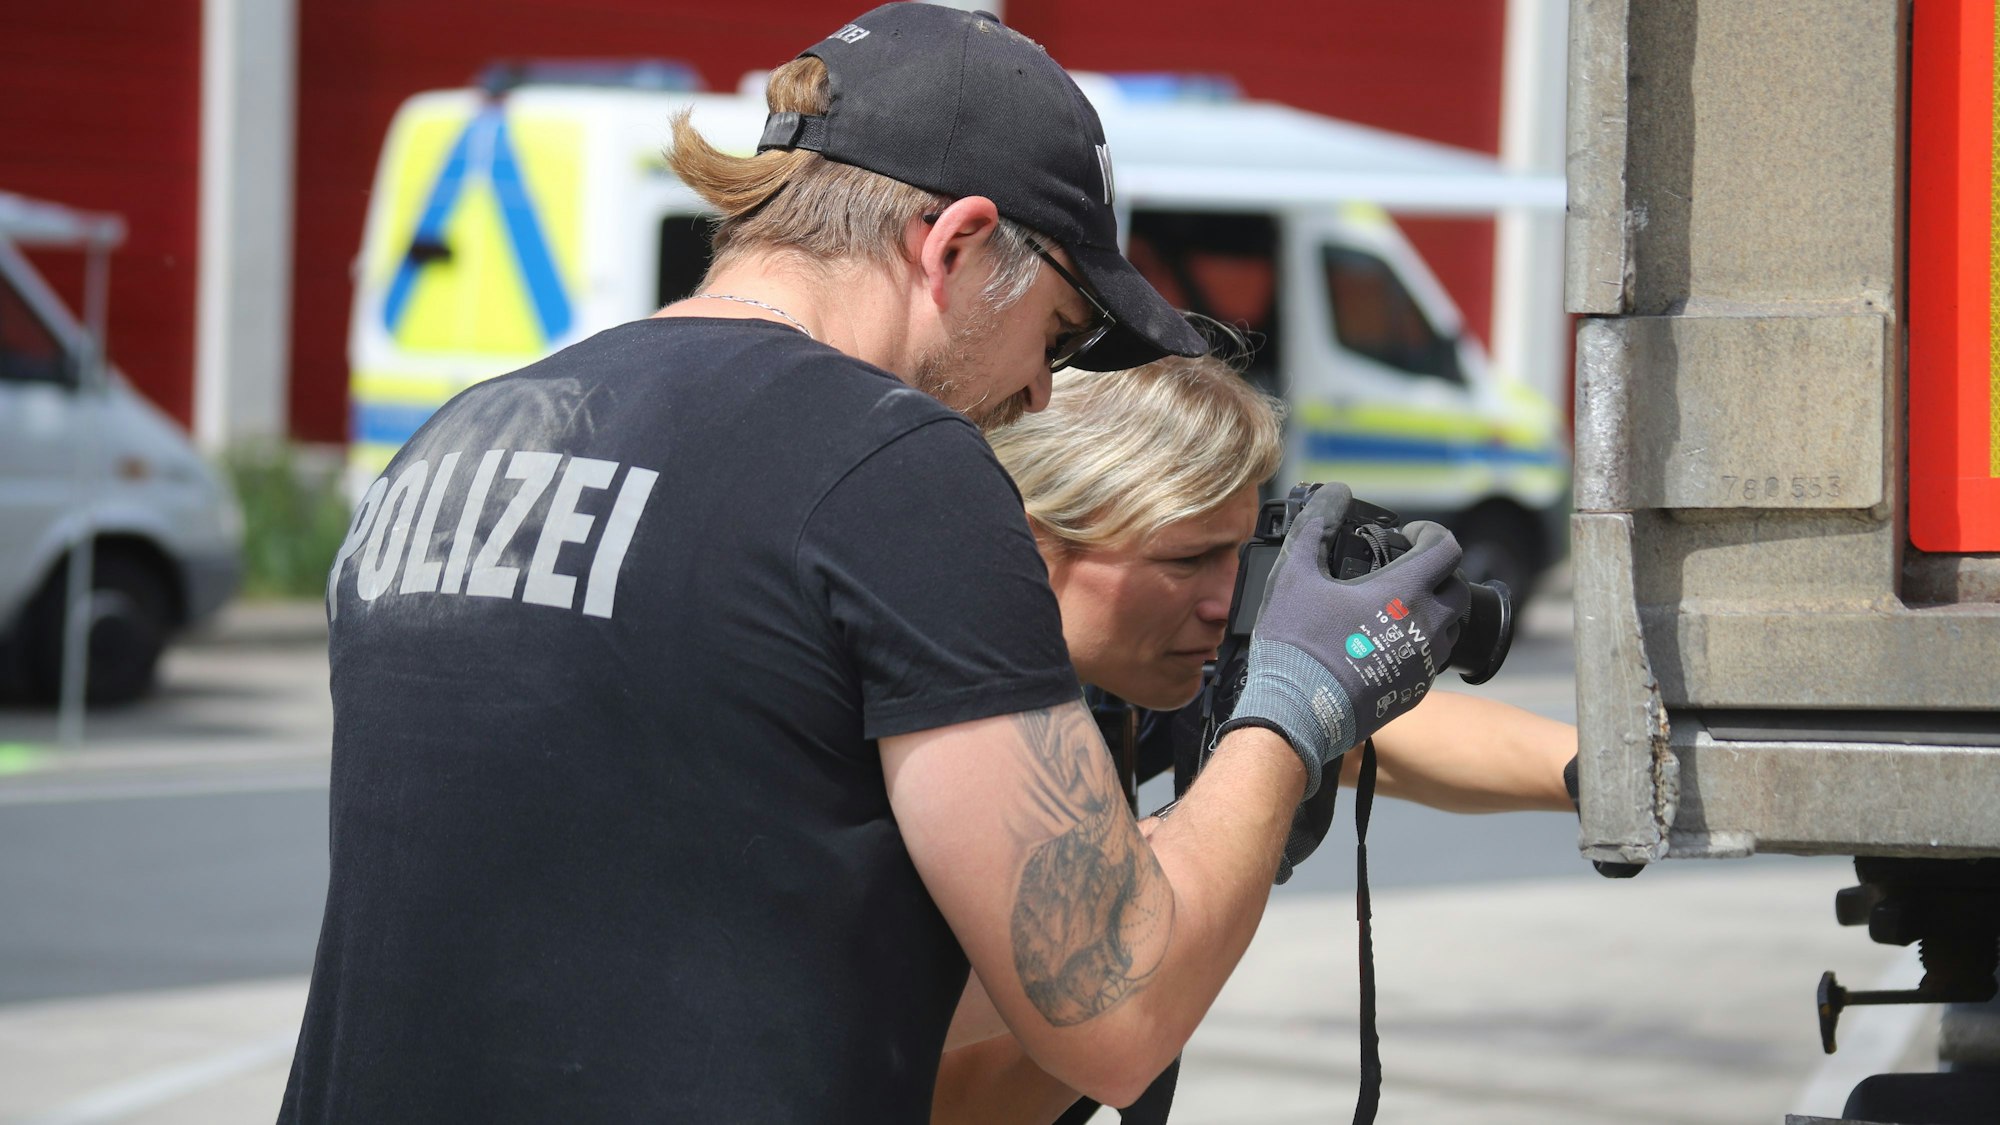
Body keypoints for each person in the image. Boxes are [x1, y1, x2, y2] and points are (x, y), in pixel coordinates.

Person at [282, 7, 1470, 1122]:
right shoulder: (891, 467)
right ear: (953, 244)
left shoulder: (462, 435)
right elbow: (1111, 1013)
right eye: (1056, 330)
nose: (1039, 389)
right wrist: (1296, 702)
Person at [932, 354, 1576, 1123]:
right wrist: (1202, 857)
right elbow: (958, 1100)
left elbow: (1364, 728)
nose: (1223, 603)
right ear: (1029, 544)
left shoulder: (1111, 673)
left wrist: (1605, 771)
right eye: (1184, 560)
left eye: (1239, 559)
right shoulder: (943, 732)